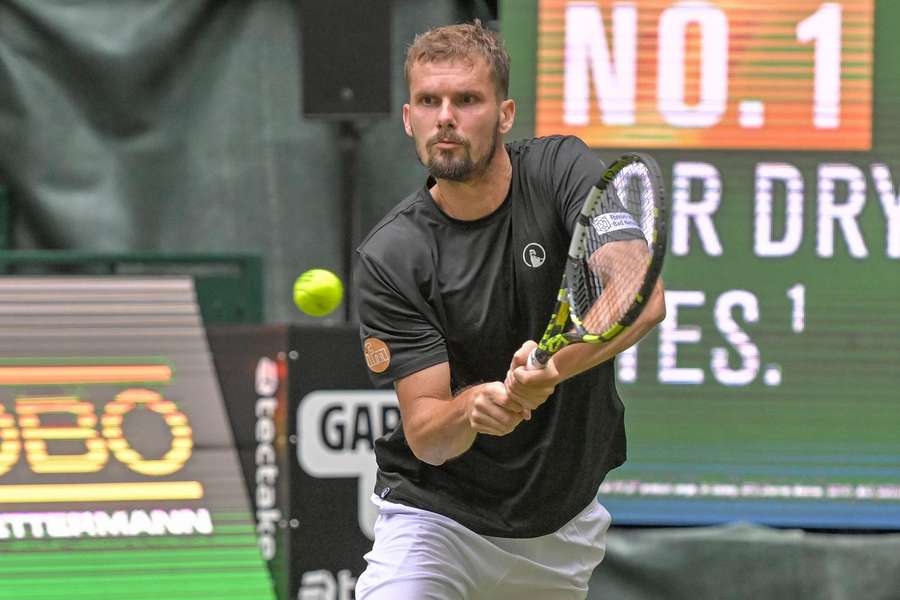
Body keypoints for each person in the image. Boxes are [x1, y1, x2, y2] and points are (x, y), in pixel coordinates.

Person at [354, 20, 666, 600]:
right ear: (408, 119)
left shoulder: (559, 169)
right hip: (435, 521)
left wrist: (555, 366)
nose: (445, 116)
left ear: (504, 114)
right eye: (429, 101)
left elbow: (641, 292)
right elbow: (427, 436)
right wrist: (473, 408)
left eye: (467, 99)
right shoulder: (391, 256)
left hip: (560, 527)